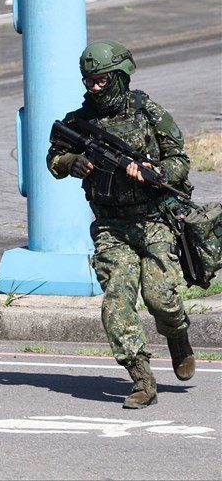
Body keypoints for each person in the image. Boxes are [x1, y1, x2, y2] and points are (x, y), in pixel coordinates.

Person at [47, 39, 195, 409]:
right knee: (116, 303)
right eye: (89, 80)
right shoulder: (79, 123)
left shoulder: (150, 113)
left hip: (154, 219)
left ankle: (177, 336)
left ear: (120, 75)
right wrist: (71, 164)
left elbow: (180, 162)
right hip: (112, 226)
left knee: (161, 299)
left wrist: (150, 172)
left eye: (101, 80)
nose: (95, 87)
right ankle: (142, 379)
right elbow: (54, 157)